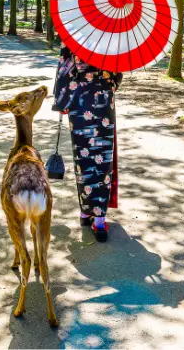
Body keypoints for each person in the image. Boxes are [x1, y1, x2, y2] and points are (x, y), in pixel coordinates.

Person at [53, 46, 123, 242]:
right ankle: (99, 219)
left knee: (83, 157)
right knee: (103, 158)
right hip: (105, 102)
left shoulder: (73, 37)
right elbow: (118, 75)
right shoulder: (113, 39)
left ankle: (85, 212)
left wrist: (62, 102)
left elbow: (64, 72)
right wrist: (108, 82)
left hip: (80, 101)